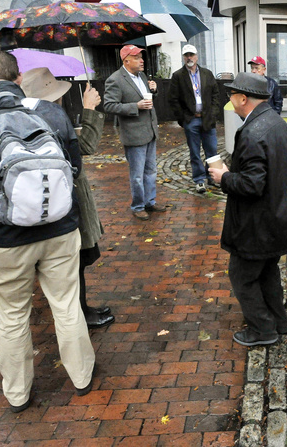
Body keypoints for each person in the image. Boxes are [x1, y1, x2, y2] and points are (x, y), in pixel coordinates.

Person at [0, 48, 96, 412]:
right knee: (67, 306)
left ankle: (19, 394)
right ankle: (82, 377)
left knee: (12, 316)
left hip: (4, 238)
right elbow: (74, 165)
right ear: (18, 77)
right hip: (59, 229)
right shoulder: (50, 112)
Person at [208, 72, 287, 347]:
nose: (230, 100)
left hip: (258, 222)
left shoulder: (254, 131)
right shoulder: (275, 121)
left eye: (232, 95)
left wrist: (224, 177)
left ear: (243, 98)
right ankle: (279, 321)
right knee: (266, 271)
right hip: (277, 216)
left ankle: (263, 330)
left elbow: (252, 184)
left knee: (241, 276)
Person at [21, 67, 115, 330]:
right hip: (67, 199)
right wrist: (89, 109)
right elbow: (85, 146)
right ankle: (80, 315)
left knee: (75, 261)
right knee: (74, 261)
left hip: (49, 201)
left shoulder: (27, 117)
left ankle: (83, 309)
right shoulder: (49, 118)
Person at [103, 45, 166, 220]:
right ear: (126, 60)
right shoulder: (115, 79)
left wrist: (153, 90)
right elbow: (108, 105)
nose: (142, 60)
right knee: (137, 175)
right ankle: (138, 206)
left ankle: (150, 202)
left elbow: (148, 99)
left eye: (141, 57)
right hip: (133, 134)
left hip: (150, 131)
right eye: (137, 57)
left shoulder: (143, 76)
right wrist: (135, 107)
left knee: (151, 170)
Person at [168, 44, 220, 194]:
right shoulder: (178, 76)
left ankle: (213, 177)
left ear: (197, 56)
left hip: (207, 119)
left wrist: (213, 113)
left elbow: (216, 94)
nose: (189, 58)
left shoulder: (207, 74)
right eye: (186, 55)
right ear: (184, 57)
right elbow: (173, 99)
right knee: (195, 152)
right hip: (191, 120)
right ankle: (199, 180)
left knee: (212, 150)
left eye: (191, 55)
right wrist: (183, 119)